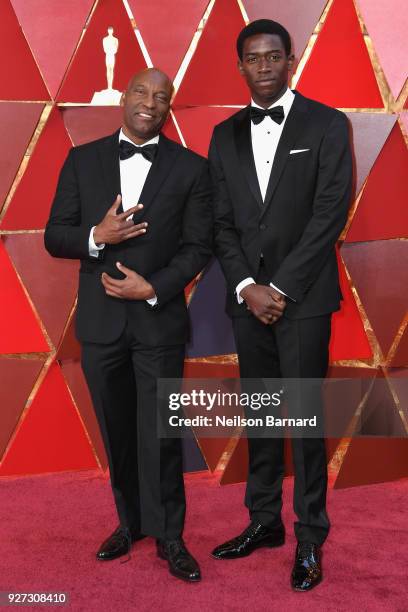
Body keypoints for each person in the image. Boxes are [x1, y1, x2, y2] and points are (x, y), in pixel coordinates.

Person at [45, 68, 212, 582]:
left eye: (161, 97)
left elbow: (198, 248)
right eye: (142, 91)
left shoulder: (192, 169)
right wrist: (96, 235)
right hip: (101, 326)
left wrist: (155, 287)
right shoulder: (82, 159)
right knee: (118, 434)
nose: (150, 102)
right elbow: (56, 235)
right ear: (124, 96)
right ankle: (130, 522)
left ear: (169, 107)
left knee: (160, 435)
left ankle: (170, 537)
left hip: (158, 322)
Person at [208, 19, 352, 591]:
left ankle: (310, 536)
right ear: (240, 65)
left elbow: (329, 215)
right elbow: (221, 222)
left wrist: (282, 289)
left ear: (290, 60)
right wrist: (247, 286)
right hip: (249, 300)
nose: (264, 67)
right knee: (263, 415)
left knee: (304, 419)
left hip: (304, 299)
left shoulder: (327, 123)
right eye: (253, 58)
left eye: (274, 57)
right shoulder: (223, 135)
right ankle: (263, 521)